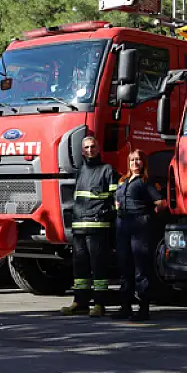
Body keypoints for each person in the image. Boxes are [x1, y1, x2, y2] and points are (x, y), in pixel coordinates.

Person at [61, 136, 119, 317]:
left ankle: (100, 304)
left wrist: (106, 215)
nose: (89, 150)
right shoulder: (80, 172)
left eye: (93, 147)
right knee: (80, 267)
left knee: (98, 266)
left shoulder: (107, 170)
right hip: (79, 227)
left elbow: (115, 200)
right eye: (86, 147)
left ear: (98, 148)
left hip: (98, 226)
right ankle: (80, 302)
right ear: (82, 151)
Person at [113, 149, 166, 320]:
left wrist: (148, 217)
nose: (135, 163)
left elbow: (160, 203)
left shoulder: (145, 182)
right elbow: (117, 200)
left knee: (141, 267)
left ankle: (143, 309)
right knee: (124, 265)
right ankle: (125, 307)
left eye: (138, 160)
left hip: (139, 224)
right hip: (122, 225)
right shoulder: (122, 181)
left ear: (143, 163)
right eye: (132, 160)